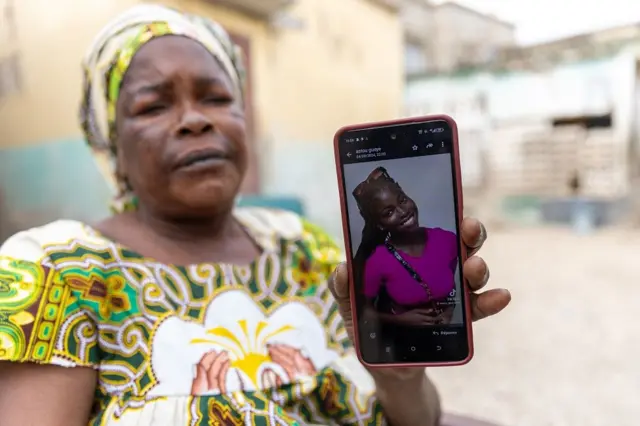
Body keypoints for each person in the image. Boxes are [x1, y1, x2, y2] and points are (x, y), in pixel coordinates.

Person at [0, 5, 511, 426]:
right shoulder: (56, 268)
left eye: (218, 98)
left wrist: (401, 375)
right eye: (154, 106)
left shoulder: (305, 248)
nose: (196, 120)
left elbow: (413, 420)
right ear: (111, 145)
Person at [352, 167, 459, 327]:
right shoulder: (377, 261)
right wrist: (401, 320)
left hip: (445, 334)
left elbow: (452, 284)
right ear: (380, 225)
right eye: (389, 213)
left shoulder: (448, 240)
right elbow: (364, 311)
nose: (402, 212)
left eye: (402, 200)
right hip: (399, 343)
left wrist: (450, 309)